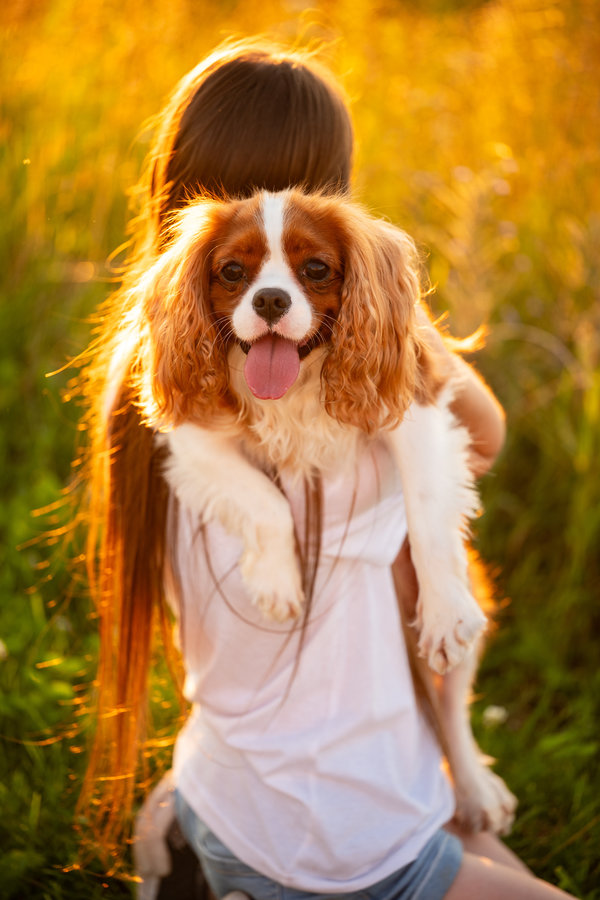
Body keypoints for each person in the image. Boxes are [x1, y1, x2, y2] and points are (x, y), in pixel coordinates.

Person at [79, 39, 574, 900]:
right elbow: (480, 437)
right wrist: (388, 311)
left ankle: (190, 822)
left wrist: (365, 294)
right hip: (332, 845)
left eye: (312, 261)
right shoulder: (313, 429)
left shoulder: (144, 369)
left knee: (495, 851)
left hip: (256, 776)